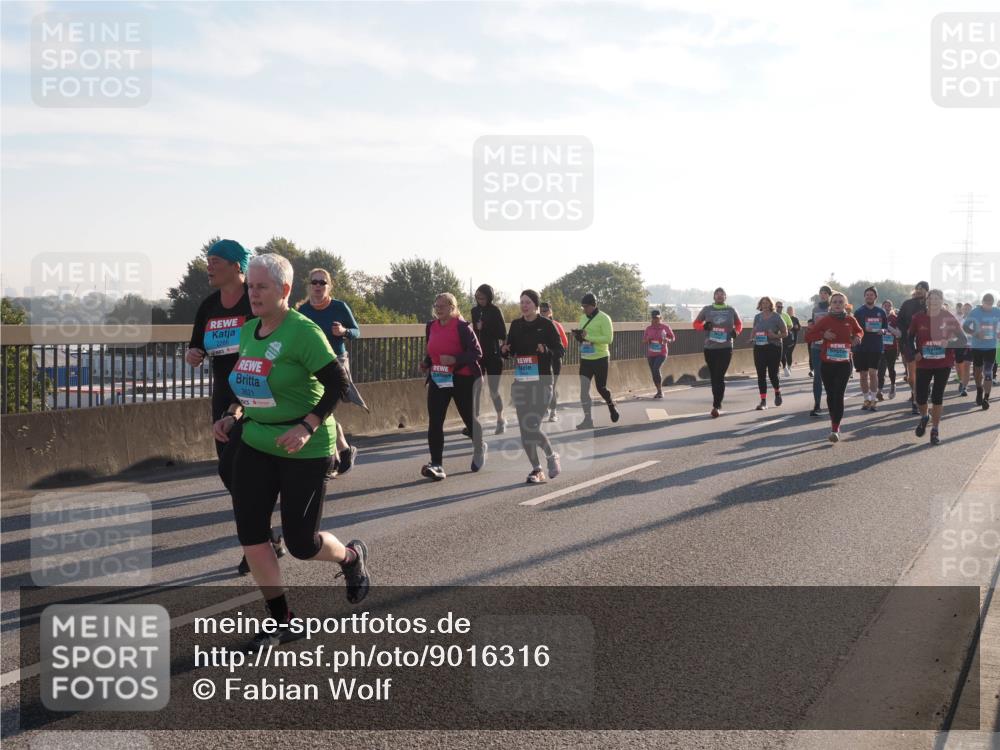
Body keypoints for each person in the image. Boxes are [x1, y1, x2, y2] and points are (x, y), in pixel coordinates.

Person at [213, 253, 369, 650]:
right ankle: (282, 620)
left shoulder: (303, 332)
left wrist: (307, 426)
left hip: (305, 448)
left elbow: (337, 384)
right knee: (252, 535)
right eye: (250, 286)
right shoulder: (248, 331)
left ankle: (350, 557)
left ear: (284, 290)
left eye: (262, 287)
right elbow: (245, 384)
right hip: (256, 442)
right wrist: (232, 415)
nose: (253, 294)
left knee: (302, 544)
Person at [186, 238, 283, 576]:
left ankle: (256, 543)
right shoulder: (209, 305)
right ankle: (265, 537)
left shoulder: (253, 300)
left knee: (242, 471)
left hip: (255, 392)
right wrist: (193, 355)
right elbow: (196, 347)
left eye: (215, 260)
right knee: (230, 473)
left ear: (235, 266)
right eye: (208, 260)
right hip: (222, 396)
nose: (208, 266)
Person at [297, 268, 363, 476]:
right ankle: (341, 452)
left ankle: (336, 457)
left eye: (322, 282)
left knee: (325, 407)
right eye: (314, 282)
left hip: (335, 361)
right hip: (311, 364)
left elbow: (357, 331)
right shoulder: (302, 310)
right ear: (309, 286)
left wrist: (344, 331)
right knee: (321, 408)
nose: (318, 286)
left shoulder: (339, 307)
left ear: (329, 286)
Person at [419, 293, 485, 480]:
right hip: (439, 377)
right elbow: (432, 351)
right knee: (435, 421)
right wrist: (426, 362)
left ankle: (479, 446)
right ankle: (437, 464)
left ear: (452, 307)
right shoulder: (431, 326)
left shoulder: (463, 327)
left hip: (463, 378)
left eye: (442, 306)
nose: (438, 309)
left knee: (469, 418)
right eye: (436, 305)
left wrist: (455, 359)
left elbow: (477, 353)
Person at [502, 290, 565, 483]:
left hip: (542, 382)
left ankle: (551, 455)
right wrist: (504, 350)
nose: (524, 305)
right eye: (522, 302)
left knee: (532, 426)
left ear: (536, 305)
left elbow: (560, 350)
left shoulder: (546, 325)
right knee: (524, 430)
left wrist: (546, 350)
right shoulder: (516, 325)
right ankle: (537, 470)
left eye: (528, 302)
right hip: (522, 383)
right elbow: (510, 349)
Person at [908, 289, 968, 444]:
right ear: (926, 300)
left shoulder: (948, 317)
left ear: (941, 301)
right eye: (931, 298)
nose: (933, 301)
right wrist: (914, 352)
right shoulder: (918, 317)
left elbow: (963, 339)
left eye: (937, 299)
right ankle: (924, 416)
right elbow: (909, 338)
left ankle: (935, 430)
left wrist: (949, 343)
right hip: (923, 362)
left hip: (943, 362)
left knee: (937, 396)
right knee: (920, 397)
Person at [804, 292, 863, 442]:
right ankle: (834, 423)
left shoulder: (850, 319)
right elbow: (808, 336)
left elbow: (859, 331)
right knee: (831, 395)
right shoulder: (825, 320)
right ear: (830, 304)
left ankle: (835, 429)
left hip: (844, 363)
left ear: (845, 305)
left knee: (839, 394)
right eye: (835, 302)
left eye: (840, 302)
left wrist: (857, 337)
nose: (837, 304)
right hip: (827, 364)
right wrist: (823, 335)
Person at [694, 287, 743, 418]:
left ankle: (716, 405)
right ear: (714, 297)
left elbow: (739, 324)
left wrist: (736, 332)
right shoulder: (707, 309)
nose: (720, 296)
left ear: (725, 297)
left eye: (722, 294)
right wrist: (704, 326)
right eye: (717, 294)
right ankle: (717, 402)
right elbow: (696, 324)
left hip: (726, 347)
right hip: (710, 348)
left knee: (719, 376)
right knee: (714, 377)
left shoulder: (731, 310)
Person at [573, 293, 618, 429]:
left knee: (601, 388)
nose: (584, 309)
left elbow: (608, 339)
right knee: (583, 391)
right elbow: (583, 335)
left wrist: (589, 338)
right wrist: (578, 336)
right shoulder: (582, 318)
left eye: (586, 307)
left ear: (593, 305)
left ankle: (611, 405)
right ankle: (588, 419)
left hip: (600, 358)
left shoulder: (604, 318)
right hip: (586, 358)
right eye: (582, 307)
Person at [471, 284, 508, 434]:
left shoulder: (495, 310)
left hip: (493, 355)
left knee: (493, 390)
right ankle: (474, 422)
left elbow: (502, 333)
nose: (480, 300)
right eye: (477, 297)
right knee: (475, 389)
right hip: (479, 355)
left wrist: (485, 326)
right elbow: (474, 332)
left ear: (489, 297)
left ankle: (500, 419)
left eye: (483, 298)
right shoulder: (474, 311)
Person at [896, 281, 929, 415]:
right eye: (917, 288)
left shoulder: (930, 304)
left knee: (925, 372)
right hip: (910, 341)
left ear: (927, 290)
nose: (919, 290)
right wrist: (905, 333)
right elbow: (899, 320)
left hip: (927, 343)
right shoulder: (907, 304)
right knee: (912, 375)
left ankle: (919, 396)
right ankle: (915, 396)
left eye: (922, 288)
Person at [853, 286, 888, 412]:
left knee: (873, 373)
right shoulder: (859, 312)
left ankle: (873, 400)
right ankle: (866, 399)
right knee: (863, 375)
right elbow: (854, 329)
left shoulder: (881, 312)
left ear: (875, 297)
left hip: (876, 346)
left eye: (871, 295)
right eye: (867, 294)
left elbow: (885, 328)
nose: (869, 296)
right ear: (864, 297)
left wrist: (882, 331)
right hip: (861, 348)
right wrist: (862, 331)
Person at [962, 293, 1000, 409]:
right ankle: (979, 390)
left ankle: (986, 398)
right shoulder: (975, 312)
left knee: (988, 372)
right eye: (986, 304)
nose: (988, 307)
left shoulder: (997, 311)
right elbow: (965, 327)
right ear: (982, 302)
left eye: (990, 304)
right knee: (977, 372)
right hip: (977, 347)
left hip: (991, 347)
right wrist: (976, 334)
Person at [751, 297, 788, 409]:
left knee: (773, 374)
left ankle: (777, 391)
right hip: (759, 347)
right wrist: (752, 338)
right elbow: (754, 330)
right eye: (763, 303)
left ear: (771, 305)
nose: (765, 305)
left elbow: (785, 333)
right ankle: (763, 401)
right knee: (761, 374)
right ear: (760, 305)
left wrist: (775, 336)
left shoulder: (776, 317)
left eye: (767, 303)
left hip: (774, 347)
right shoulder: (757, 317)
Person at [806, 285, 833, 416]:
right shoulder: (815, 309)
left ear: (829, 295)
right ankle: (817, 404)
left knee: (830, 376)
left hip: (830, 347)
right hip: (816, 346)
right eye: (821, 293)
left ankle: (832, 401)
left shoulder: (833, 308)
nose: (823, 295)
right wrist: (811, 325)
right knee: (817, 376)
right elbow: (814, 326)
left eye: (825, 293)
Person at [540, 301, 569, 421]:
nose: (543, 313)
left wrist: (552, 350)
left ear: (550, 312)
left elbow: (565, 343)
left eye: (545, 310)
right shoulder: (536, 325)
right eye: (541, 310)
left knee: (552, 386)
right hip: (542, 360)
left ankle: (553, 412)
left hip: (554, 360)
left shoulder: (556, 325)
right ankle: (545, 408)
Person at [643, 309, 676, 399]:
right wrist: (647, 340)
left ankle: (660, 391)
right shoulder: (648, 329)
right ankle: (658, 390)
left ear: (660, 318)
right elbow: (644, 341)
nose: (655, 320)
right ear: (651, 318)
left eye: (657, 318)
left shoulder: (665, 327)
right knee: (653, 372)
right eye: (654, 318)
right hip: (651, 353)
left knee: (656, 368)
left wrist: (667, 340)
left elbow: (673, 338)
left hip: (662, 353)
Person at [877, 299, 901, 400]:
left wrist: (888, 327)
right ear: (882, 307)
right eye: (885, 306)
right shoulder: (877, 317)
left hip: (891, 347)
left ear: (891, 307)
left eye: (889, 306)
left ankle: (892, 385)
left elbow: (899, 334)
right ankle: (880, 390)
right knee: (880, 370)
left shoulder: (894, 318)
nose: (887, 308)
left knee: (891, 368)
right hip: (880, 347)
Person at [954, 302, 973, 397]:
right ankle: (961, 381)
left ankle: (964, 387)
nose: (967, 310)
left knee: (966, 365)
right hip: (959, 346)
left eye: (968, 309)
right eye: (965, 309)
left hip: (970, 346)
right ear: (962, 310)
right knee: (958, 366)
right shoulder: (959, 320)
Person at [775, 301, 796, 376]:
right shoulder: (772, 315)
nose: (780, 308)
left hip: (784, 337)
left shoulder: (785, 315)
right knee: (775, 354)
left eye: (781, 307)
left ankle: (784, 367)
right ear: (775, 307)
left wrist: (784, 330)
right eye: (778, 307)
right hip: (775, 338)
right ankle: (777, 370)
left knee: (782, 353)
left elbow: (791, 325)